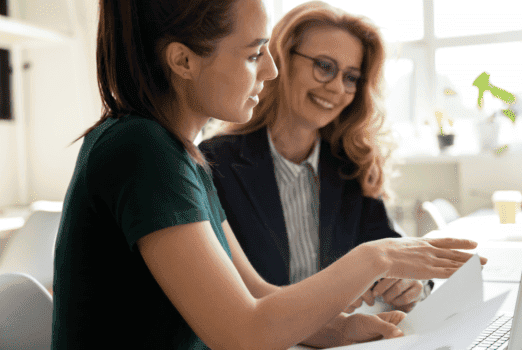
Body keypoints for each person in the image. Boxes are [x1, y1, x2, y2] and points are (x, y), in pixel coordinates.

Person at [52, 0, 486, 349]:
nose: (270, 70)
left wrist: (342, 330)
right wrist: (378, 257)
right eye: (255, 53)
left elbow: (258, 293)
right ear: (183, 60)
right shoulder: (142, 151)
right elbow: (243, 333)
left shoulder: (179, 155)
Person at [200, 1, 429, 313]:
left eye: (351, 77)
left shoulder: (350, 164)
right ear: (281, 59)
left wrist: (413, 281)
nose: (336, 87)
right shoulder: (214, 162)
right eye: (324, 66)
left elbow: (392, 247)